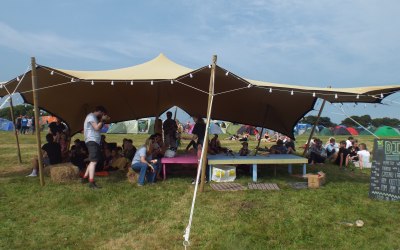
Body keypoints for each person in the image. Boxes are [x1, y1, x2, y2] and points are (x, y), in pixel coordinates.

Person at [81, 106, 109, 189]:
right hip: (92, 141)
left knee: (92, 160)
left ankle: (85, 178)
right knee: (94, 161)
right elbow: (96, 128)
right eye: (103, 114)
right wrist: (103, 120)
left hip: (93, 141)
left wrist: (103, 121)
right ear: (100, 111)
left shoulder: (94, 118)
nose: (102, 116)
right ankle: (91, 182)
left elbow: (98, 127)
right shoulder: (91, 116)